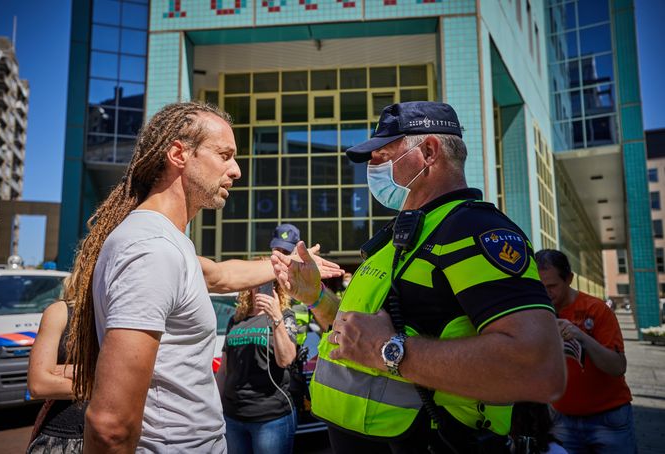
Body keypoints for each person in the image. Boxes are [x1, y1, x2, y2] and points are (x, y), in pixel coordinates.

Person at [271, 101, 566, 453]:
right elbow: (359, 332)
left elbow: (539, 370)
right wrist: (317, 297)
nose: (372, 168)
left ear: (428, 152)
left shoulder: (474, 230)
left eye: (383, 155)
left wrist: (389, 351)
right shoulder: (403, 235)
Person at [64, 101, 342, 453]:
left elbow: (222, 275)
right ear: (179, 154)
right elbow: (111, 426)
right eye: (225, 155)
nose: (236, 170)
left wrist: (285, 265)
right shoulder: (151, 249)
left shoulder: (166, 242)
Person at [535, 249, 637, 454]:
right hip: (562, 419)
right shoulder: (539, 313)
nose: (546, 293)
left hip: (609, 419)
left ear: (569, 279)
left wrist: (581, 337)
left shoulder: (597, 310)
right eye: (540, 287)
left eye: (552, 286)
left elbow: (618, 367)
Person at [216, 279, 298, 454]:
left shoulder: (285, 316)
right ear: (249, 286)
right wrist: (215, 404)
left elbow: (286, 360)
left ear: (275, 287)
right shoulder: (236, 320)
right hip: (233, 416)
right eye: (257, 282)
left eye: (267, 283)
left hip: (270, 418)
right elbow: (224, 369)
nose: (261, 287)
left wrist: (276, 317)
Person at [27, 277, 85, 453]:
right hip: (63, 438)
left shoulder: (133, 316)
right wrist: (108, 382)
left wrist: (74, 371)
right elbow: (38, 384)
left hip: (121, 434)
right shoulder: (61, 312)